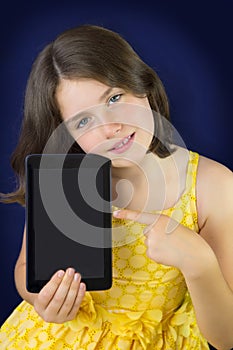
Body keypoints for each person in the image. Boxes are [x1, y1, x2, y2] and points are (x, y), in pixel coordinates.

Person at [0, 24, 233, 350]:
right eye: (83, 121)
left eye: (115, 97)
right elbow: (26, 268)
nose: (111, 127)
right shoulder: (62, 182)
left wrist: (200, 265)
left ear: (143, 87)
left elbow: (226, 338)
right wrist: (40, 297)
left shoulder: (213, 187)